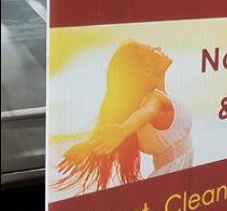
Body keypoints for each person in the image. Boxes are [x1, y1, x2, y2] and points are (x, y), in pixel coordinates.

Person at [54, 41, 192, 192]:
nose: (159, 47)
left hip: (168, 184)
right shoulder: (155, 100)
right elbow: (148, 111)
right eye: (152, 50)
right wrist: (123, 129)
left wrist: (90, 147)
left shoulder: (141, 106)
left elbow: (142, 116)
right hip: (170, 186)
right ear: (146, 71)